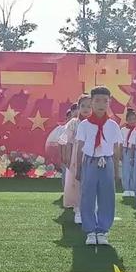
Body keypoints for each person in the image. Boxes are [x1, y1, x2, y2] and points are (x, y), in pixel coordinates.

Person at [76, 86, 122, 246]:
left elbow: (116, 150)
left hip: (107, 161)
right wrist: (78, 168)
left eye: (105, 101)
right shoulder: (84, 125)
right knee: (88, 195)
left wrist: (116, 169)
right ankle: (90, 230)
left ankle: (102, 230)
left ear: (109, 103)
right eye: (97, 101)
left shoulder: (113, 125)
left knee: (107, 196)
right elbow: (79, 147)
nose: (101, 104)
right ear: (91, 102)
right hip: (90, 161)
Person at [59, 94, 92, 224]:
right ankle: (78, 209)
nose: (86, 109)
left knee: (91, 181)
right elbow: (66, 140)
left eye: (89, 106)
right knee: (77, 181)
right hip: (76, 156)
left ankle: (89, 208)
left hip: (92, 155)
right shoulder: (74, 123)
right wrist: (66, 156)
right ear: (78, 108)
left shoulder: (95, 123)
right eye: (83, 106)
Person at [120, 108, 136, 197]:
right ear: (126, 120)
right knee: (125, 170)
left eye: (134, 119)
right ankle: (126, 188)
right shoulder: (123, 129)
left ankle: (133, 188)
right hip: (126, 150)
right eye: (130, 119)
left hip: (135, 151)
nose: (132, 121)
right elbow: (120, 142)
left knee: (134, 170)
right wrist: (120, 153)